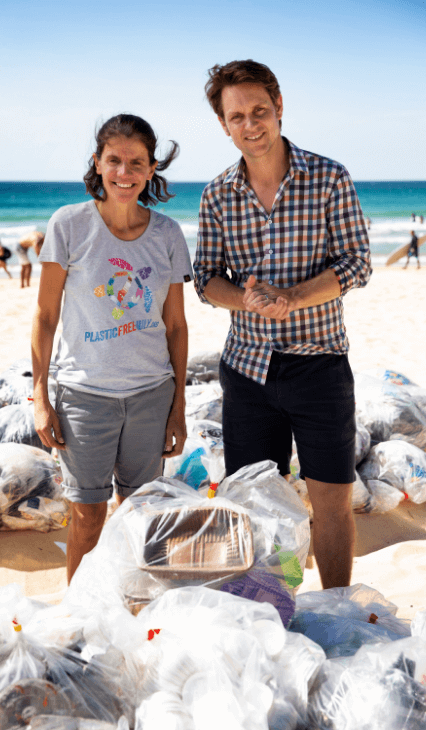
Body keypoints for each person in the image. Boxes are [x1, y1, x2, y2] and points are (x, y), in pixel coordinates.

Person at [193, 60, 372, 590]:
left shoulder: (328, 177)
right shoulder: (217, 195)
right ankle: (271, 607)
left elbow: (356, 263)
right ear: (223, 125)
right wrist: (248, 302)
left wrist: (290, 298)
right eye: (237, 116)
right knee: (252, 506)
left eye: (259, 111)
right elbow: (205, 279)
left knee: (331, 502)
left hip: (320, 365)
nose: (251, 125)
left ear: (278, 108)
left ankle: (338, 609)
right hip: (247, 372)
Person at [32, 114, 192, 583]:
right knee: (88, 518)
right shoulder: (69, 225)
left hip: (151, 396)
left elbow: (176, 326)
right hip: (84, 398)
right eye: (115, 160)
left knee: (140, 516)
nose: (125, 172)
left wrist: (179, 405)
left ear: (151, 168)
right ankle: (81, 617)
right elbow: (44, 317)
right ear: (98, 165)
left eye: (136, 162)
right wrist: (40, 398)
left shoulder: (167, 234)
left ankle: (132, 608)